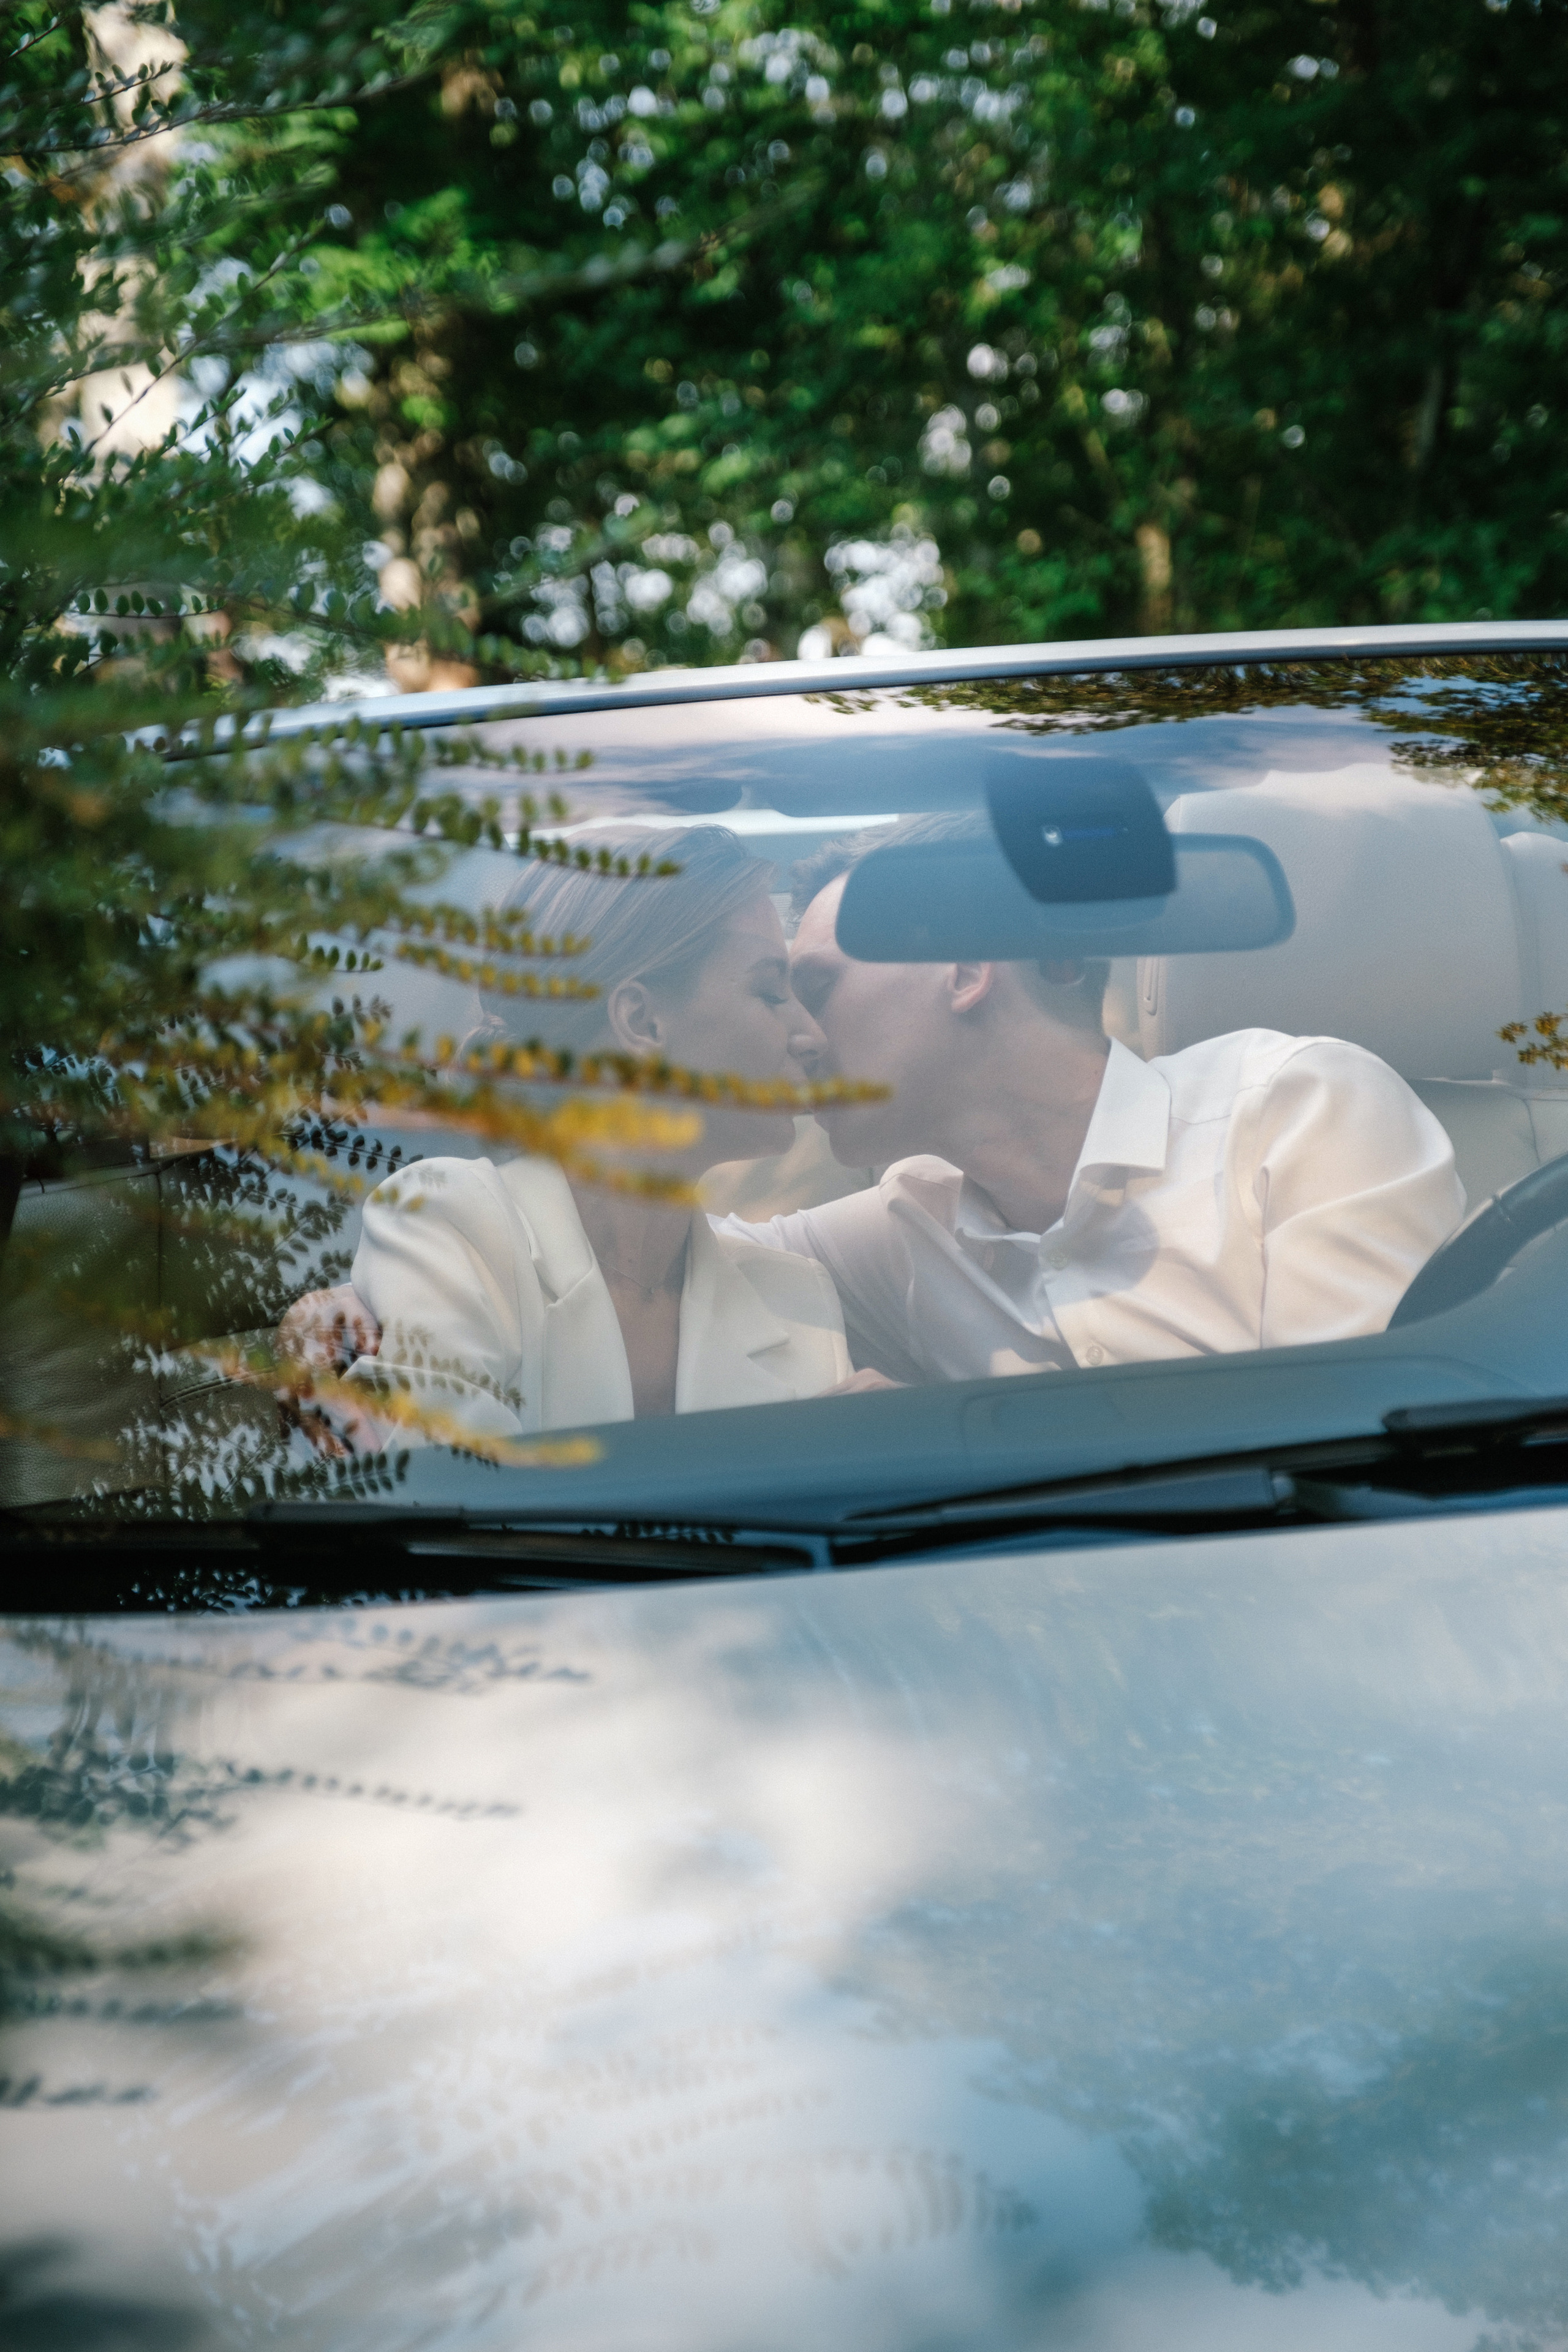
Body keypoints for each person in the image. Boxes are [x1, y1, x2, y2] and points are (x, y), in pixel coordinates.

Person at [286, 813, 1468, 1398]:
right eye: (775, 990)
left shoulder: (1299, 1112)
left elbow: (1380, 1470)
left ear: (961, 967)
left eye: (815, 983)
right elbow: (639, 1241)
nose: (803, 1033)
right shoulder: (890, 1232)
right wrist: (371, 1302)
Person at [292, 827, 851, 1450]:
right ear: (642, 1020)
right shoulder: (451, 1224)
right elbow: (465, 1518)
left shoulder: (796, 1295)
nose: (811, 1036)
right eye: (771, 991)